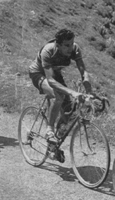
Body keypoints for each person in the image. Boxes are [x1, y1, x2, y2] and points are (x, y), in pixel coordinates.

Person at [28, 28, 93, 157]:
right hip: (38, 74)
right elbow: (51, 81)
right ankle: (49, 130)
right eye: (67, 45)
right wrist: (72, 92)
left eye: (72, 43)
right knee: (59, 96)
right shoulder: (48, 50)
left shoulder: (74, 48)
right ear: (58, 45)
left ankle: (53, 145)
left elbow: (83, 71)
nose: (71, 48)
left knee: (69, 112)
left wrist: (89, 90)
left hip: (55, 73)